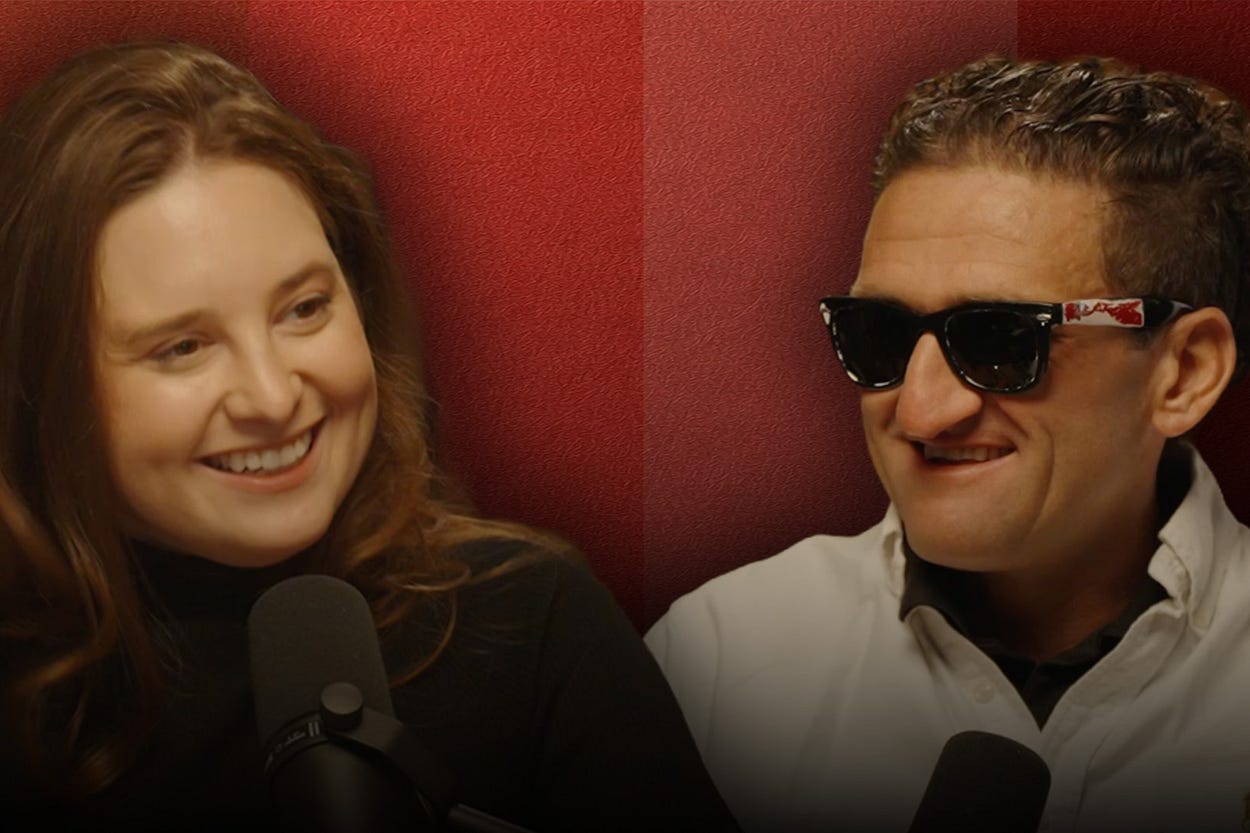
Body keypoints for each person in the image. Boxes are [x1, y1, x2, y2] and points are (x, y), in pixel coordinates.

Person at [0, 40, 739, 832]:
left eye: (304, 308)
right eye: (183, 346)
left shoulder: (532, 617)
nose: (274, 395)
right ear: (42, 386)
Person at [646, 54, 1250, 833]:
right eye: (878, 332)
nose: (922, 409)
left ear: (1184, 372)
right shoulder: (717, 663)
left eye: (1000, 339)